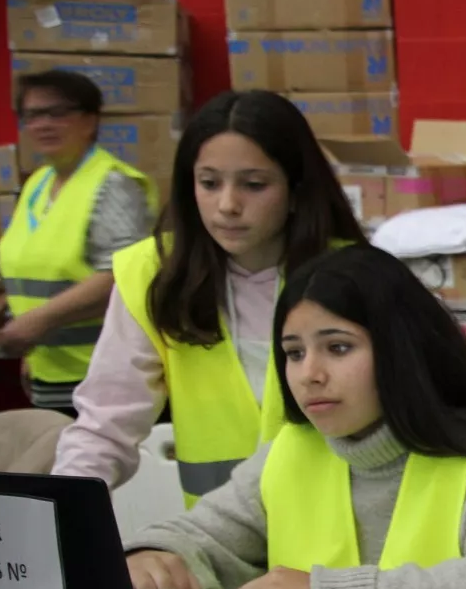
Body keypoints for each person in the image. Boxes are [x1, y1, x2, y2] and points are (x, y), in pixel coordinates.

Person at [120, 245, 466, 589]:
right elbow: (203, 537)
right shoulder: (291, 451)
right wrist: (153, 556)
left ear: (400, 351)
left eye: (338, 348)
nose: (309, 374)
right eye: (294, 352)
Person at [51, 90, 365, 504]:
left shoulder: (356, 275)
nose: (228, 205)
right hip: (222, 550)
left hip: (339, 542)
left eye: (254, 185)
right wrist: (59, 511)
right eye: (209, 183)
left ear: (297, 188)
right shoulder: (152, 275)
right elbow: (104, 424)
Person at [0, 70, 157, 415]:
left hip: (103, 373)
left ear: (90, 120)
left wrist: (36, 323)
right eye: (33, 115)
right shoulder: (38, 184)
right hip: (50, 371)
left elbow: (121, 273)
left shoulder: (112, 185)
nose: (43, 124)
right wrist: (32, 350)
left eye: (57, 113)